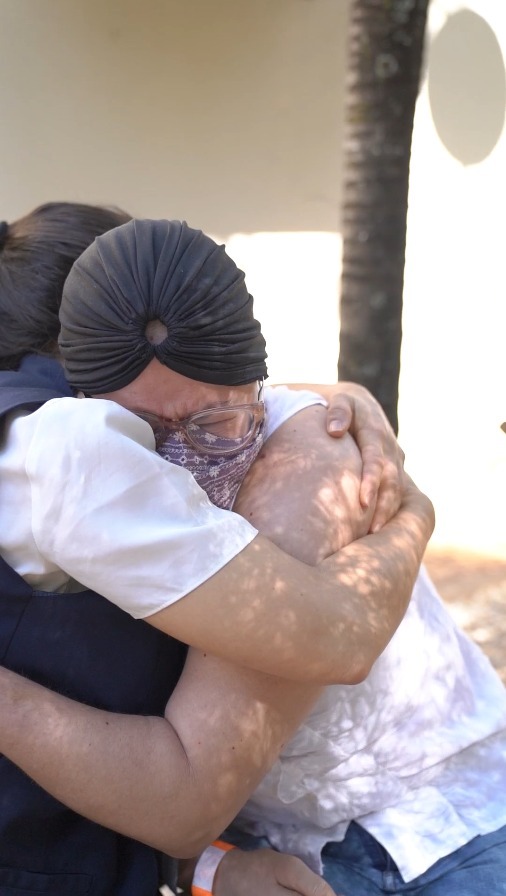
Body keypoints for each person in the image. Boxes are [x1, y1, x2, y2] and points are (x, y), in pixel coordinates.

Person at [52, 217, 506, 894]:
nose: (182, 461)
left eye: (214, 425)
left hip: (439, 827)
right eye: (141, 430)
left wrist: (415, 515)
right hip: (280, 843)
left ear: (257, 387)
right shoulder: (70, 462)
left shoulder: (303, 469)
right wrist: (213, 865)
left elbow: (194, 790)